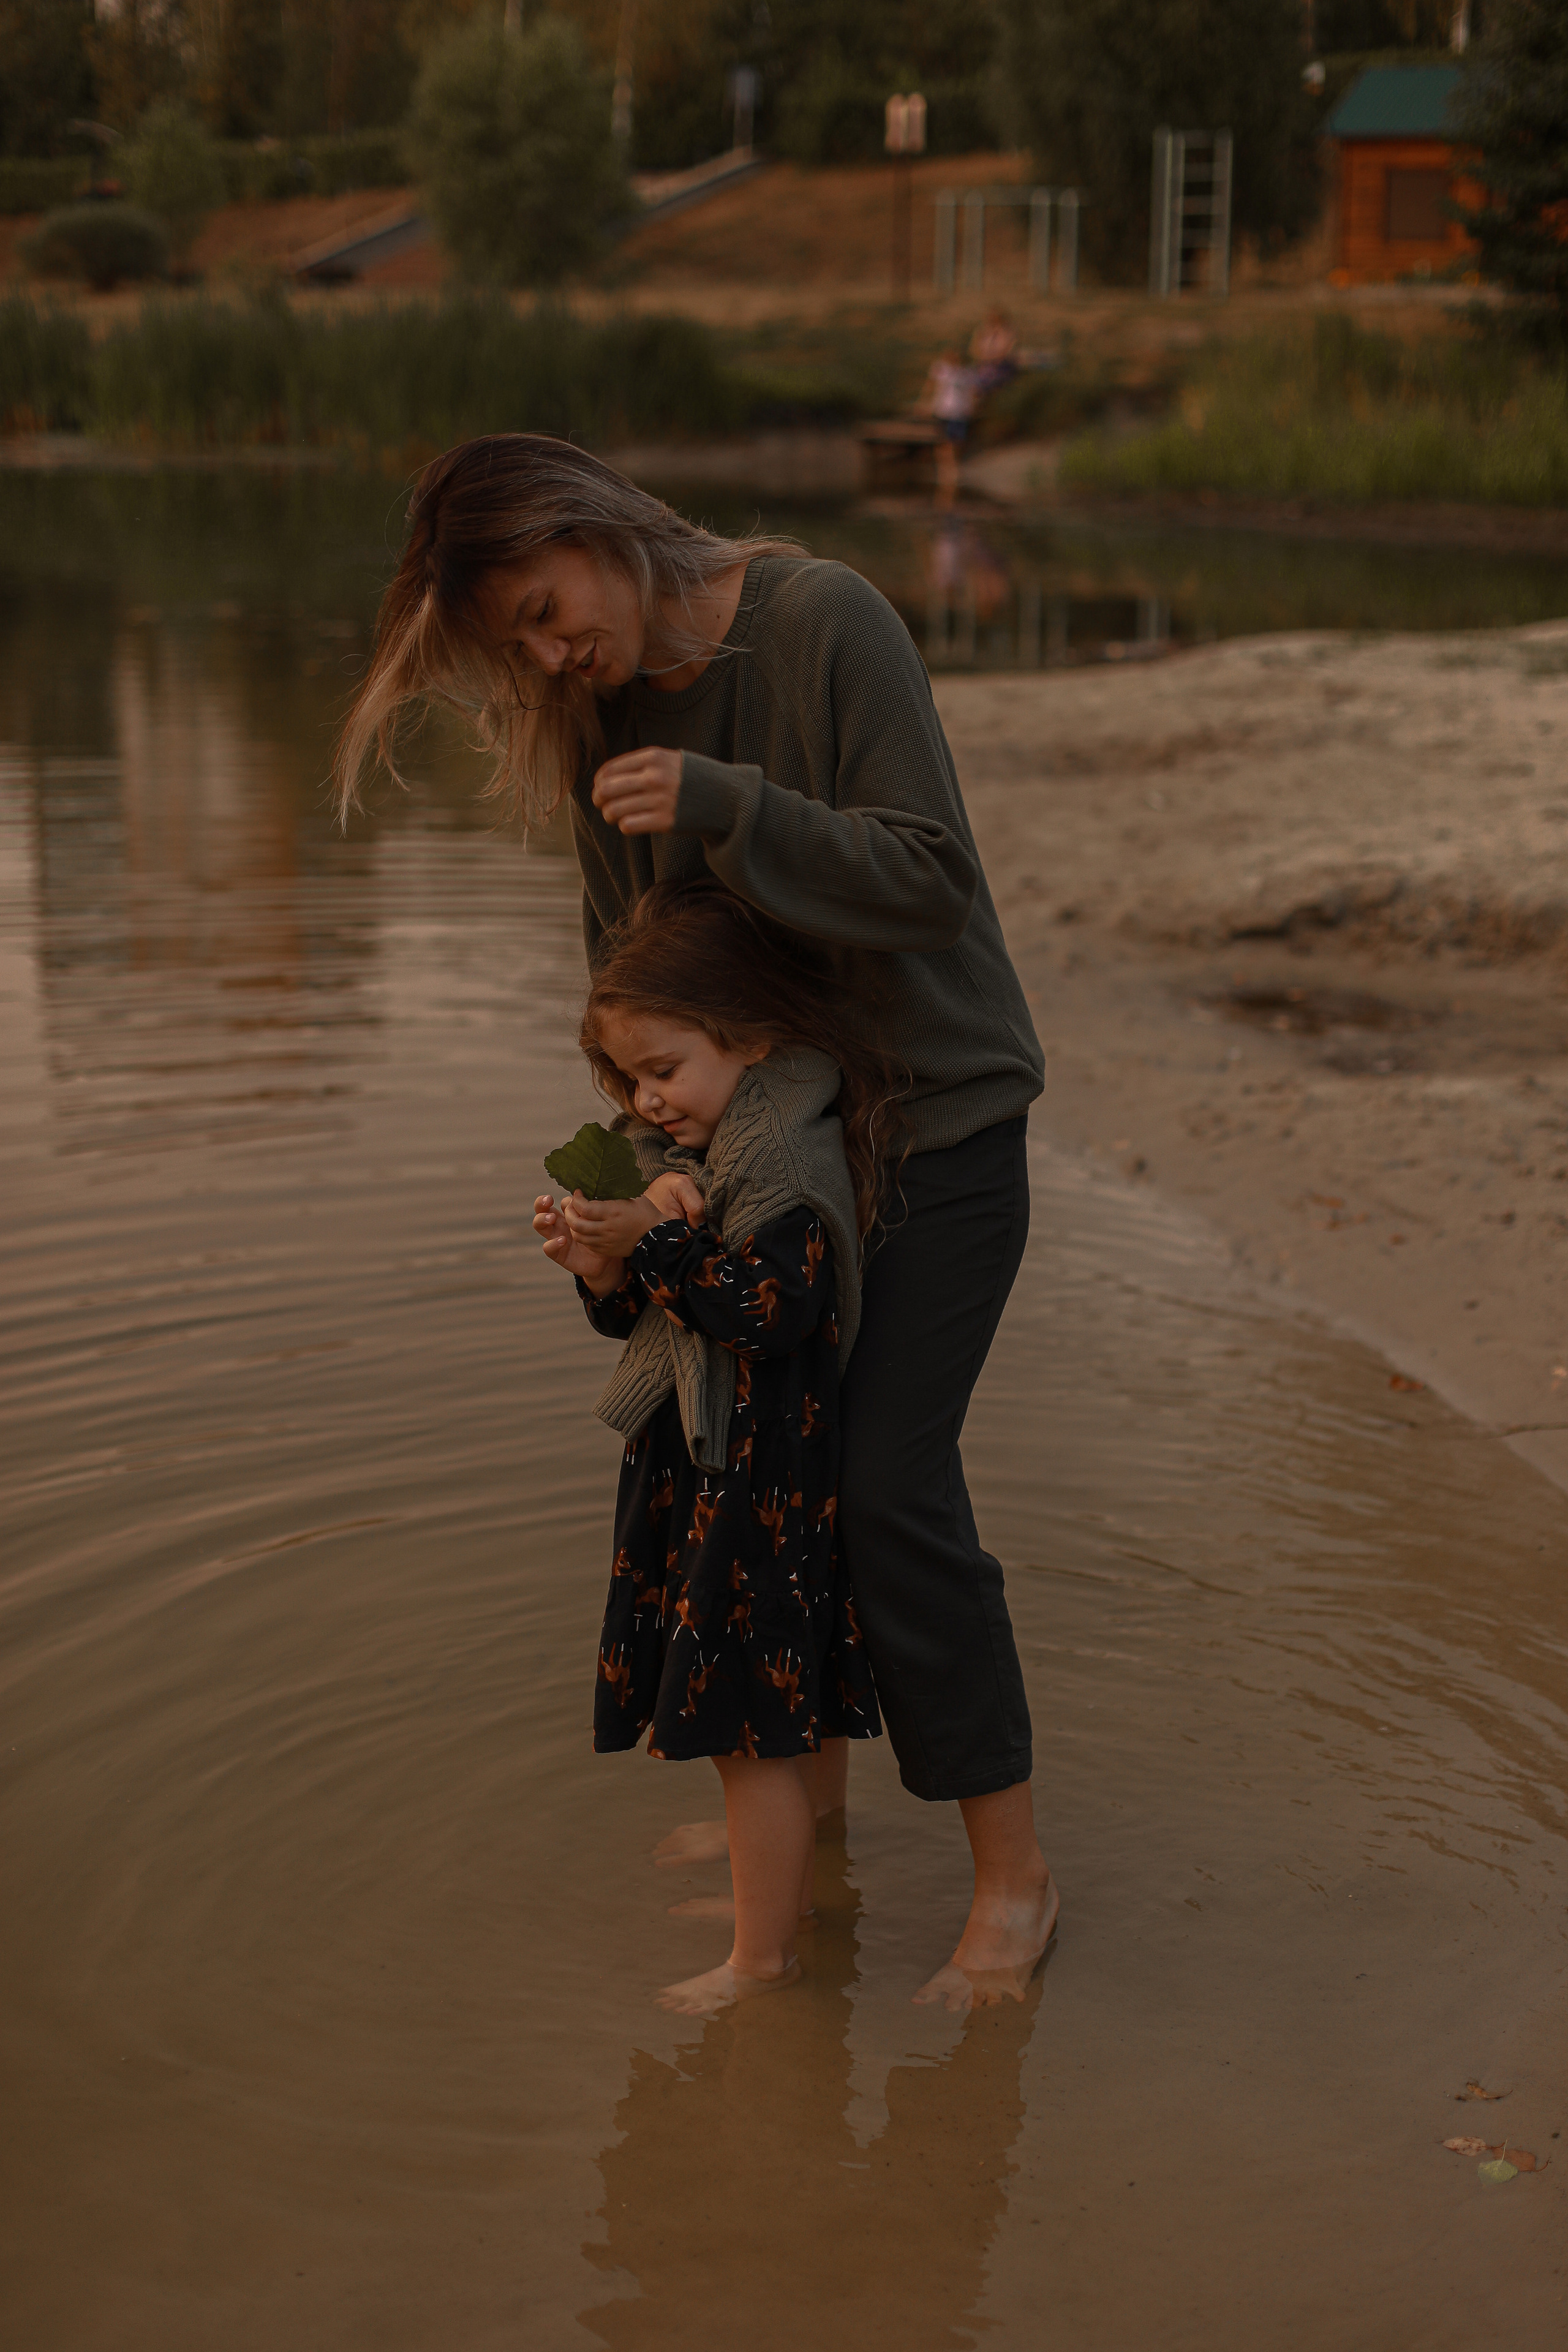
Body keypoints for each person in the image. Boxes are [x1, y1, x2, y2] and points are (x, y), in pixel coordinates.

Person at [334, 433, 1058, 2011]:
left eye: (545, 610)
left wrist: (726, 802)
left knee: (885, 1490)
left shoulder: (824, 619)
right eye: (516, 644)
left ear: (592, 525)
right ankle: (808, 1827)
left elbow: (929, 884)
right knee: (774, 1487)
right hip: (770, 1156)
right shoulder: (596, 723)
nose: (547, 656)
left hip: (936, 1129)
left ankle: (1013, 1878)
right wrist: (632, 1180)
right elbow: (632, 989)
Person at [532, 882, 889, 2018]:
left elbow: (766, 1314)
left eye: (665, 1069)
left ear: (752, 1037)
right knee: (786, 1708)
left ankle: (761, 1961)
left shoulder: (780, 1164)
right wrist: (604, 1266)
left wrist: (659, 1239)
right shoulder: (712, 1141)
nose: (645, 1099)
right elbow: (664, 1317)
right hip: (736, 1469)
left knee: (751, 1732)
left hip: (759, 1482)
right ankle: (795, 1893)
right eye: (627, 1077)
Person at [919, 345, 978, 507]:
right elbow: (931, 385)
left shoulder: (967, 374)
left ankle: (952, 468)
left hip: (960, 412)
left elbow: (972, 392)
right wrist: (925, 403)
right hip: (945, 411)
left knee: (957, 441)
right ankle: (946, 469)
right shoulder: (942, 369)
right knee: (945, 440)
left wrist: (972, 406)